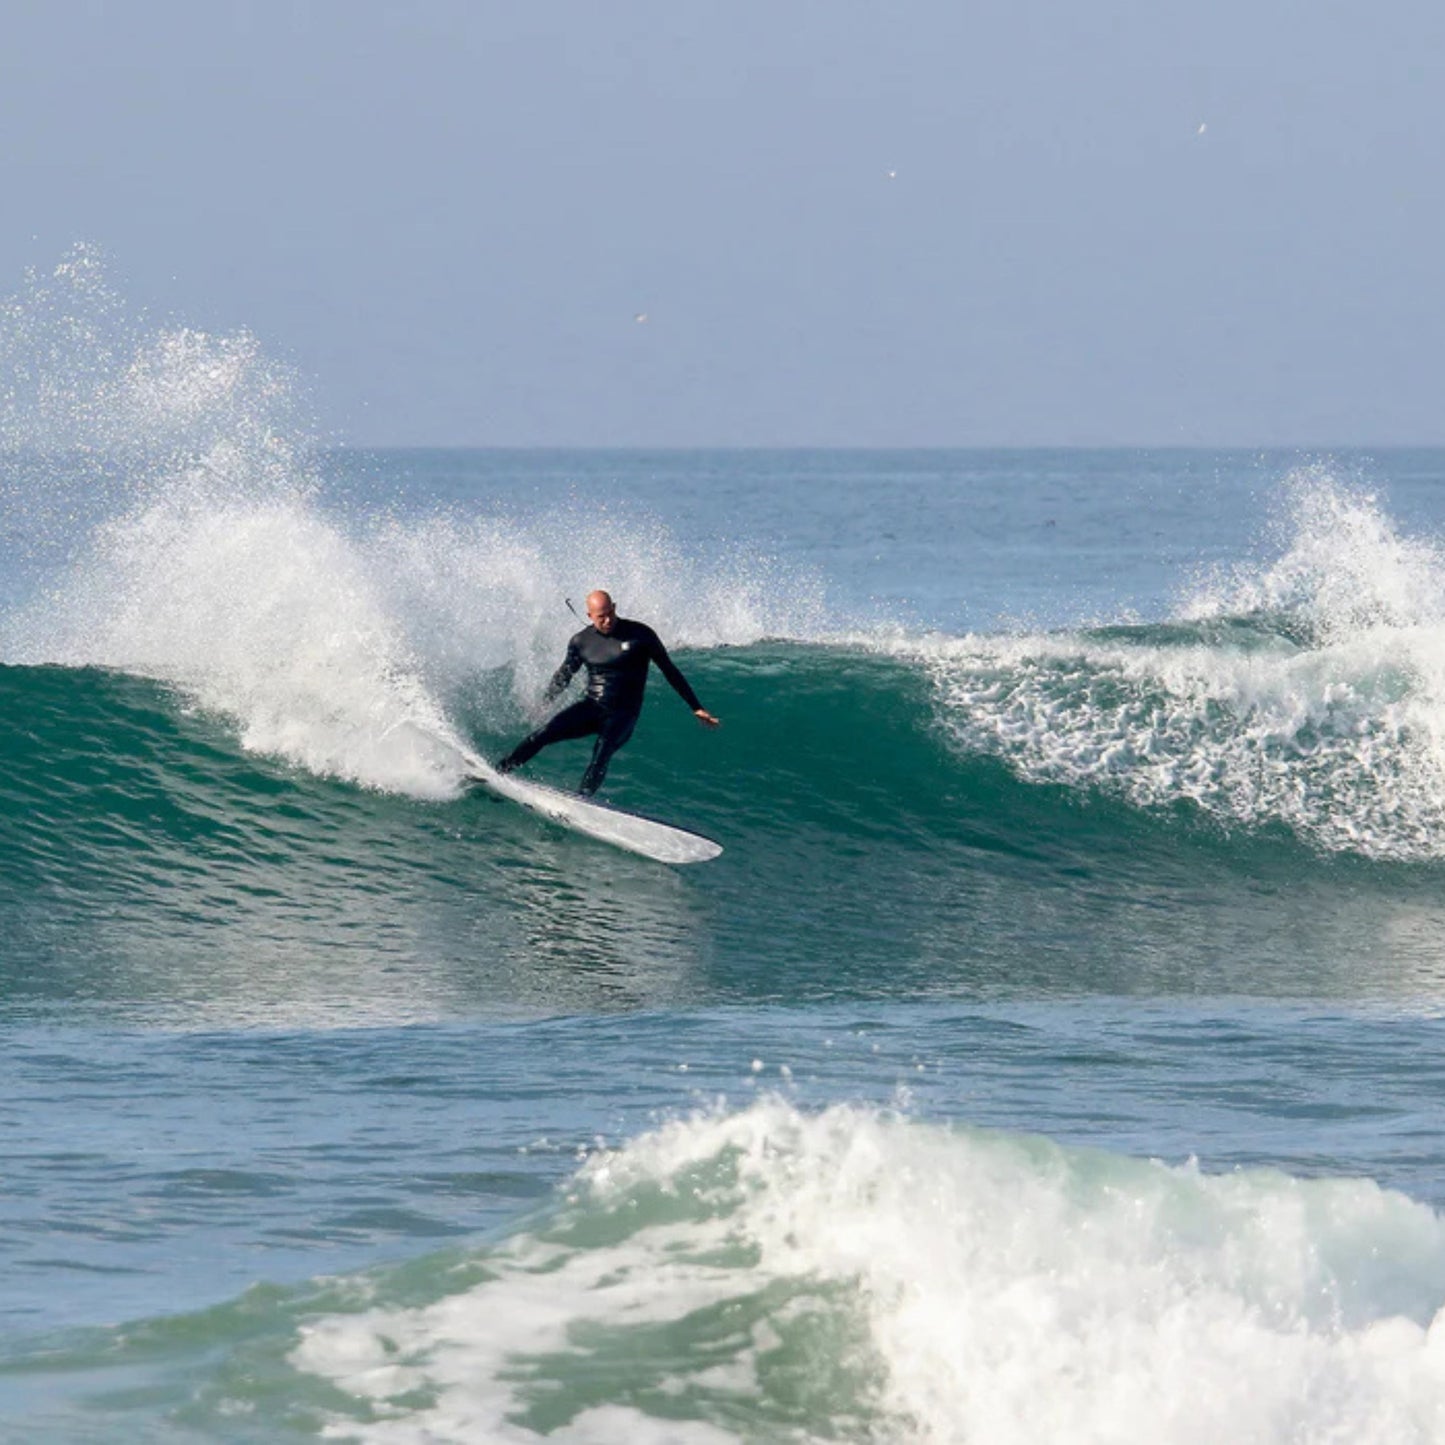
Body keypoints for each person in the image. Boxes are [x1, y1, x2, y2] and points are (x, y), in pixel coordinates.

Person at [496, 590, 720, 796]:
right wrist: (544, 703)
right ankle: (500, 771)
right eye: (601, 616)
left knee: (601, 752)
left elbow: (670, 671)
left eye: (611, 612)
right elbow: (563, 676)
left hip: (624, 713)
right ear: (590, 615)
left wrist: (696, 706)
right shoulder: (581, 641)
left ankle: (581, 801)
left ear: (615, 606)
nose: (608, 619)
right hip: (592, 706)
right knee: (541, 735)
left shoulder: (641, 635)